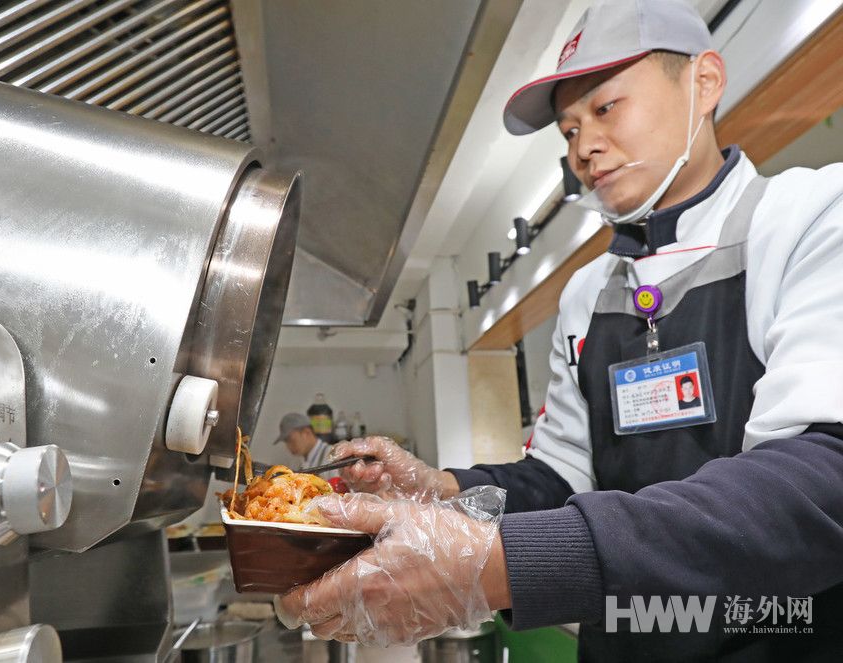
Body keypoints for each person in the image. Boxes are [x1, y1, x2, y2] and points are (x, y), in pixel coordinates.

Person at [276, 1, 843, 660]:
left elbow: (818, 479)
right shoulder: (589, 293)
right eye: (569, 130)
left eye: (606, 109)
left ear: (705, 82)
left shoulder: (810, 218)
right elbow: (560, 476)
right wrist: (440, 489)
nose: (584, 147)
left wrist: (503, 564)